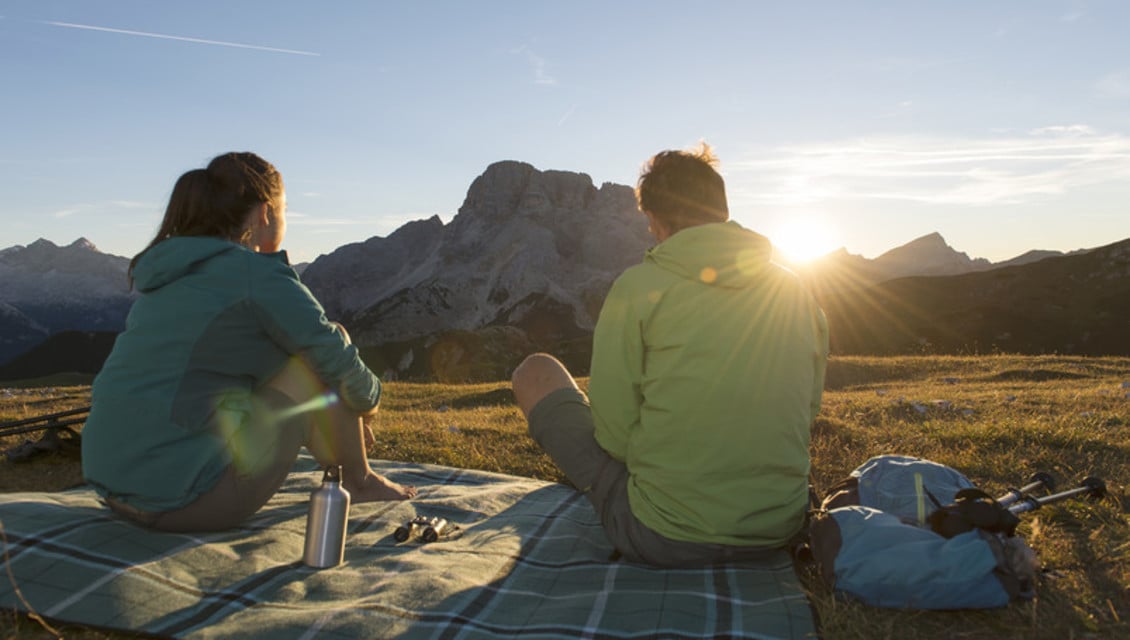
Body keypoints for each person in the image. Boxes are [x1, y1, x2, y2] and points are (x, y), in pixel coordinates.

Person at [511, 143, 828, 566]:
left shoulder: (638, 287)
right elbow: (808, 409)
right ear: (723, 210)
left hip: (663, 535)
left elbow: (614, 436)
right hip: (780, 526)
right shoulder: (796, 289)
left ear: (655, 220)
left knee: (536, 371)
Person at [82, 152, 414, 533]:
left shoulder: (170, 275)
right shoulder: (256, 274)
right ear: (266, 213)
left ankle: (344, 468)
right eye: (287, 208)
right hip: (189, 501)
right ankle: (360, 481)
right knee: (326, 346)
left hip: (115, 490)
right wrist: (366, 406)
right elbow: (334, 360)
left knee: (298, 360)